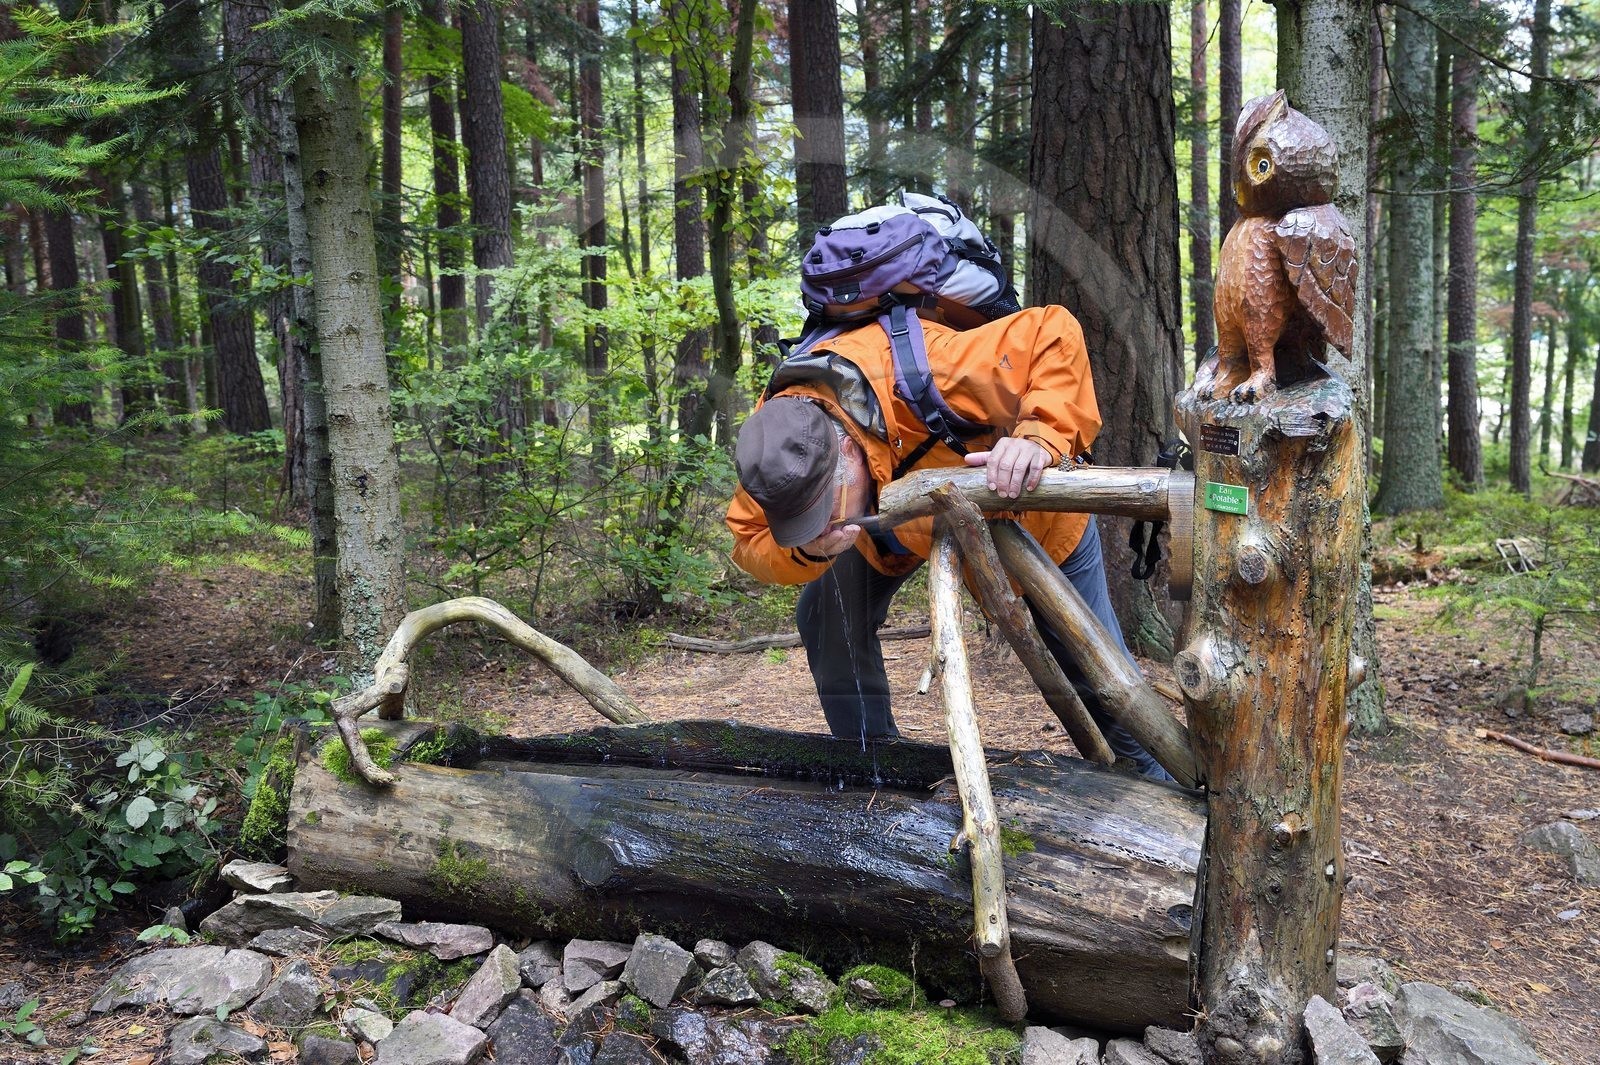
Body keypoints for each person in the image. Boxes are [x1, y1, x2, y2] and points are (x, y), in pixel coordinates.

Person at [726, 302, 1173, 781]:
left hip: (1033, 522)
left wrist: (1040, 435)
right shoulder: (777, 438)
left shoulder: (932, 369)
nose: (816, 525)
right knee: (824, 614)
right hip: (895, 530)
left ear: (849, 451)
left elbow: (1054, 331)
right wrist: (808, 549)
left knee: (1098, 683)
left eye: (819, 512)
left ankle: (1157, 800)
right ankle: (875, 771)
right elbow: (748, 537)